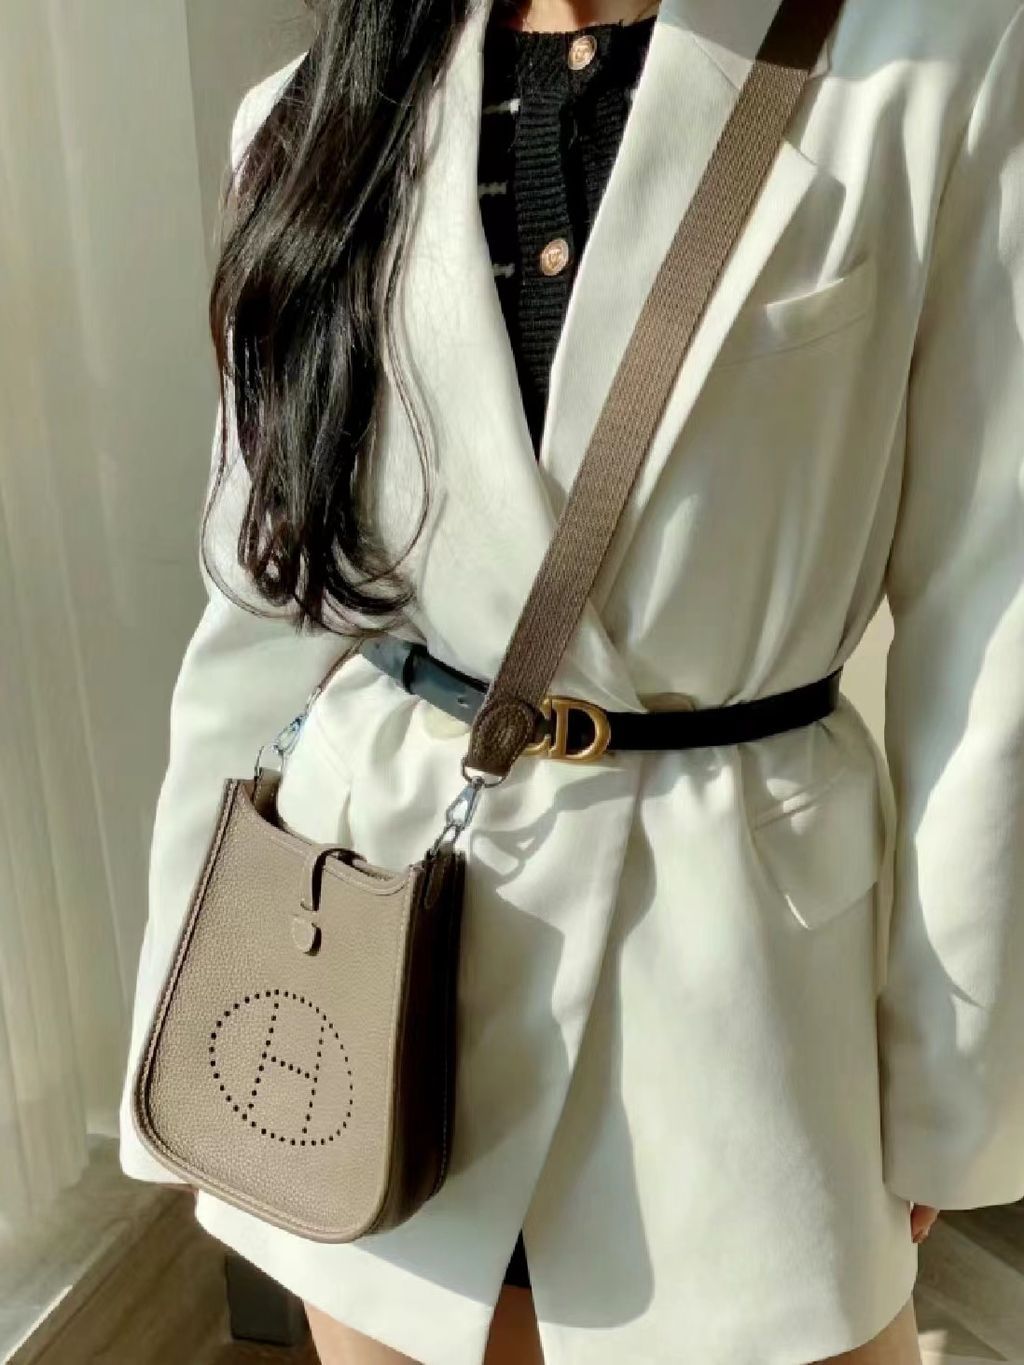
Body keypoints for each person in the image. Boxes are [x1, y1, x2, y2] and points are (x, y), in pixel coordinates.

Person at [117, 0, 1024, 1362]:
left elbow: (991, 619)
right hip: (380, 989)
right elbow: (258, 613)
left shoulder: (934, 65)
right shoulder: (314, 117)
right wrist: (178, 1026)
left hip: (743, 1006)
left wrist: (953, 1094)